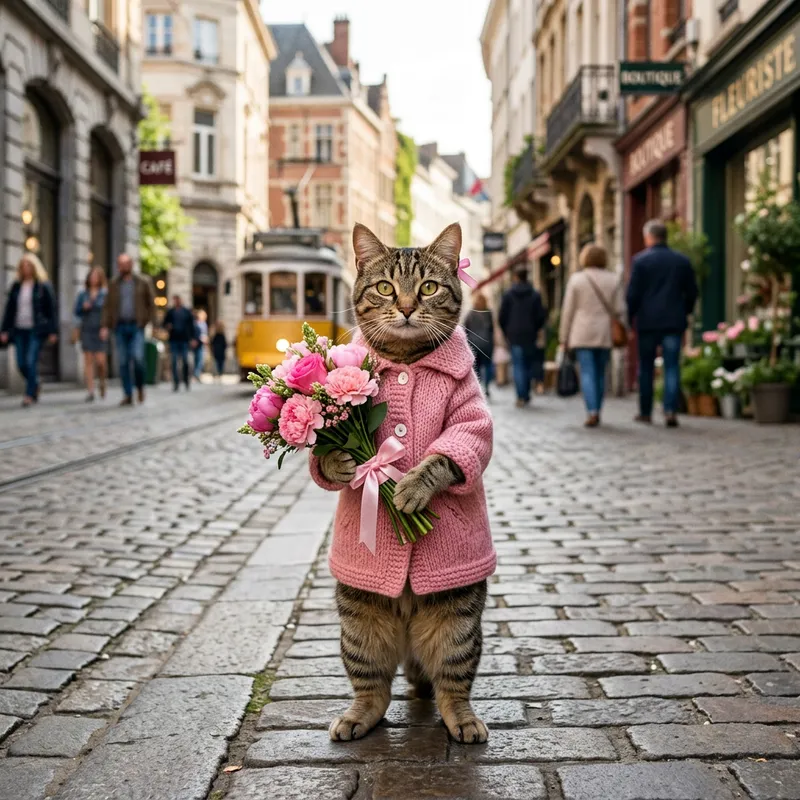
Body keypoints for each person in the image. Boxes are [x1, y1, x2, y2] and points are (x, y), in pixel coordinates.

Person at [627, 219, 698, 428]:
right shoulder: (681, 261)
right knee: (672, 367)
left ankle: (646, 412)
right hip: (673, 321)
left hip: (648, 322)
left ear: (649, 237)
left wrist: (630, 318)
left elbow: (633, 294)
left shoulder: (640, 261)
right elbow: (692, 292)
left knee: (646, 367)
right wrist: (685, 311)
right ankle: (670, 411)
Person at [560, 243, 627, 427]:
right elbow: (620, 309)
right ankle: (598, 408)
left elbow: (568, 311)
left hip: (582, 333)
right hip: (604, 333)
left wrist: (563, 337)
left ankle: (592, 411)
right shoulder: (613, 280)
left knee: (587, 372)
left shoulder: (577, 280)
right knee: (600, 373)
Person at [0, 253, 58, 407]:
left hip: (36, 330)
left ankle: (29, 394)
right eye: (23, 266)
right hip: (19, 329)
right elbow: (9, 310)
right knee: (20, 363)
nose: (25, 269)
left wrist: (53, 331)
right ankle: (35, 383)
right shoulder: (16, 286)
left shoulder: (43, 286)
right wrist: (4, 330)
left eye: (28, 266)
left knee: (30, 361)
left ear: (34, 267)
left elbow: (51, 310)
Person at [101, 254, 155, 406]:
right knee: (123, 361)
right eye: (120, 264)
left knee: (137, 358)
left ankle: (139, 386)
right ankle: (128, 393)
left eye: (125, 264)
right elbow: (107, 307)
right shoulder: (113, 284)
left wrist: (149, 322)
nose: (123, 267)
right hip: (119, 326)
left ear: (131, 265)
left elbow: (151, 304)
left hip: (137, 326)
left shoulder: (143, 282)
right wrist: (105, 325)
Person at [499, 268, 546, 407]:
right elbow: (540, 316)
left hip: (514, 335)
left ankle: (521, 395)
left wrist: (506, 330)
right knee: (528, 364)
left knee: (518, 365)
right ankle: (526, 393)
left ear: (515, 277)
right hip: (530, 334)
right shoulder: (535, 294)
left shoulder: (508, 294)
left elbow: (502, 317)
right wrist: (536, 328)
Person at [74, 266, 108, 402]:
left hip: (100, 329)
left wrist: (105, 327)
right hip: (86, 329)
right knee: (88, 360)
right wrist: (83, 307)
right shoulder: (83, 294)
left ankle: (102, 381)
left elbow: (108, 313)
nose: (93, 278)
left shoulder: (105, 294)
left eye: (96, 276)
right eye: (91, 276)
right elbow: (76, 311)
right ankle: (90, 390)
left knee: (100, 362)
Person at [464, 293, 495, 398]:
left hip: (474, 344)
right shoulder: (489, 313)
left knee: (476, 368)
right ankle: (487, 387)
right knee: (488, 366)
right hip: (487, 344)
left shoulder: (471, 313)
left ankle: (478, 387)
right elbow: (492, 329)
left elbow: (465, 329)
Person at [163, 295, 197, 391]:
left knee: (185, 361)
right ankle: (176, 383)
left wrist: (193, 338)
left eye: (178, 299)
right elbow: (164, 323)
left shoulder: (186, 312)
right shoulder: (170, 312)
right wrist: (167, 326)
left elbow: (191, 326)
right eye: (175, 300)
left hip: (184, 340)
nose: (177, 301)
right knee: (174, 361)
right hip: (174, 339)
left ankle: (186, 380)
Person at [192, 309, 209, 380]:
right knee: (198, 360)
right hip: (197, 343)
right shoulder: (196, 324)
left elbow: (204, 334)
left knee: (199, 359)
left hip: (201, 344)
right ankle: (196, 374)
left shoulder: (203, 324)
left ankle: (197, 374)